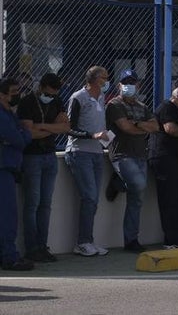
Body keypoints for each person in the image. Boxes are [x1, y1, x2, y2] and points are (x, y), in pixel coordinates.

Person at [105, 69, 160, 252]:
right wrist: (140, 127)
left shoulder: (142, 106)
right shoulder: (114, 104)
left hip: (140, 154)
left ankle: (131, 240)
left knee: (136, 199)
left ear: (138, 85)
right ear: (119, 85)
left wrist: (138, 125)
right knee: (138, 184)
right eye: (125, 82)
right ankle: (119, 182)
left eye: (132, 82)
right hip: (122, 153)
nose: (129, 85)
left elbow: (155, 126)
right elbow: (125, 127)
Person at [17, 72, 69, 263]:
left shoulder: (57, 101)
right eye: (48, 93)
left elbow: (65, 127)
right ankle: (32, 248)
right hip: (32, 156)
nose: (51, 97)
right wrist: (51, 127)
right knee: (33, 203)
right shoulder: (27, 103)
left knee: (45, 204)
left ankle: (42, 245)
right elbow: (29, 133)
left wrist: (42, 127)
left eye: (54, 94)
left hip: (50, 155)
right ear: (41, 87)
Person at [64, 65, 112, 257]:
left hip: (97, 153)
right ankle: (82, 242)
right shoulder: (78, 97)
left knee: (93, 200)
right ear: (93, 79)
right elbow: (69, 128)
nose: (106, 80)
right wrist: (92, 135)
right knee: (89, 197)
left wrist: (104, 138)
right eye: (103, 77)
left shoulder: (101, 97)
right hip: (79, 152)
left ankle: (89, 240)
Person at [148, 86, 178, 249]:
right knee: (169, 199)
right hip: (163, 157)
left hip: (172, 159)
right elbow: (171, 130)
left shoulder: (175, 110)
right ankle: (171, 239)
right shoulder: (167, 107)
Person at [1, 77, 34, 271]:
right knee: (7, 216)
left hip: (8, 167)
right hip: (3, 168)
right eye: (13, 92)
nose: (17, 95)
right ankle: (9, 256)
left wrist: (23, 132)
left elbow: (19, 134)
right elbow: (20, 138)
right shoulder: (3, 115)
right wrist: (25, 132)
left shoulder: (9, 113)